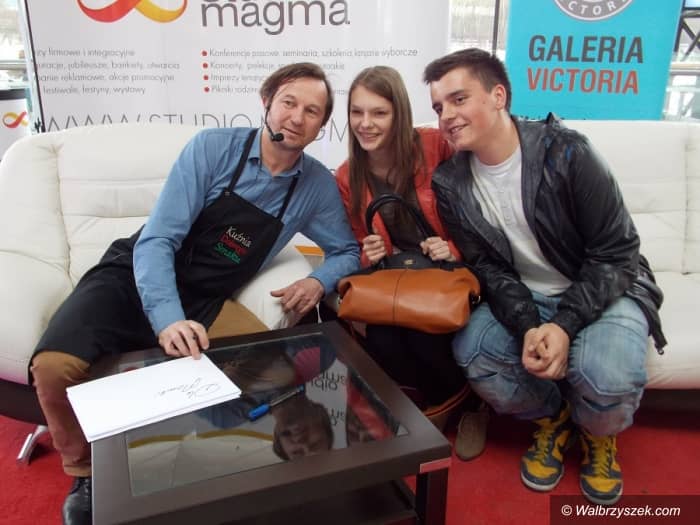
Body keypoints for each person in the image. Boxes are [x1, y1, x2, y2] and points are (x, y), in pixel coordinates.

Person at [29, 62, 359, 525]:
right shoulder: (212, 149)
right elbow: (158, 240)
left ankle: (211, 458)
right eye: (289, 102)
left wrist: (317, 280)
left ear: (322, 126)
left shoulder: (315, 186)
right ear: (266, 101)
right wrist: (167, 318)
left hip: (206, 298)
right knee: (53, 366)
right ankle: (85, 472)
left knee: (273, 368)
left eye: (312, 111)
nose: (296, 117)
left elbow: (347, 251)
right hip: (133, 276)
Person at [423, 48, 665, 505]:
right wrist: (530, 326)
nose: (446, 116)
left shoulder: (568, 152)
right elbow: (488, 267)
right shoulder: (450, 182)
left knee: (607, 376)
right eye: (439, 107)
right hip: (528, 295)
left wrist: (564, 325)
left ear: (498, 96)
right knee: (475, 351)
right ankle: (555, 419)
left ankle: (598, 434)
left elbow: (617, 253)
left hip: (604, 289)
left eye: (458, 99)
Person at [334, 66, 472, 431]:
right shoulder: (347, 175)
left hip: (446, 272)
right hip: (398, 275)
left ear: (400, 114)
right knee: (382, 336)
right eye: (357, 112)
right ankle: (433, 401)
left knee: (425, 334)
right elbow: (355, 245)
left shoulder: (435, 146)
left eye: (379, 113)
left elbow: (478, 212)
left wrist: (453, 248)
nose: (365, 123)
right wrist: (369, 252)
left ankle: (463, 406)